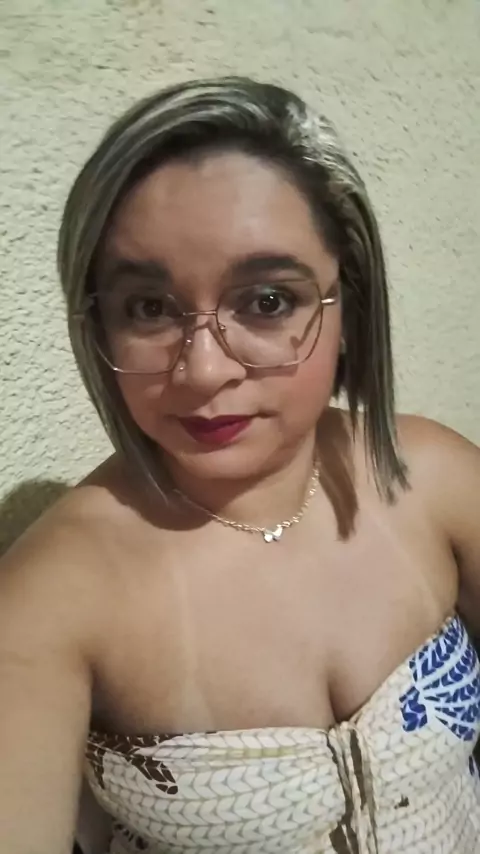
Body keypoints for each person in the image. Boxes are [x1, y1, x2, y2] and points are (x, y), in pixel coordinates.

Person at [1, 76, 479, 854]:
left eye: (266, 302)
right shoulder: (51, 595)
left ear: (348, 302)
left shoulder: (435, 477)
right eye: (149, 308)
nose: (203, 370)